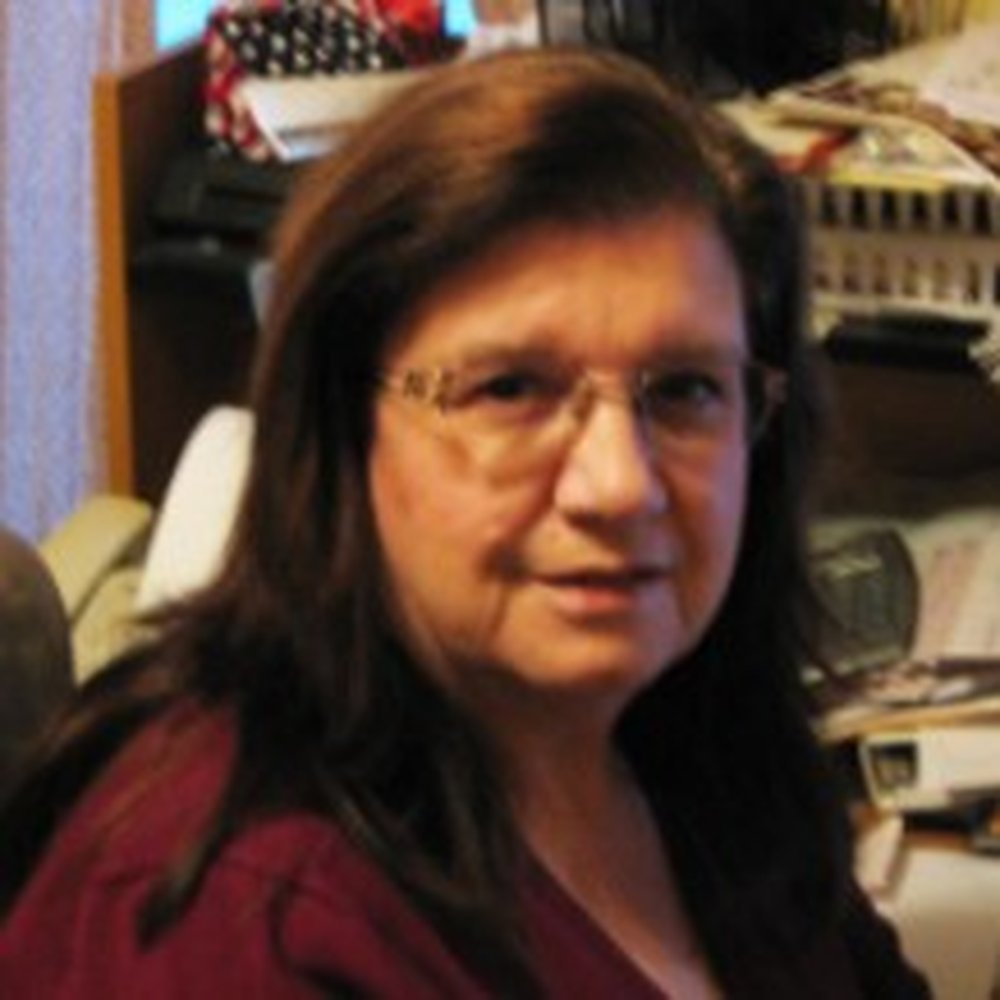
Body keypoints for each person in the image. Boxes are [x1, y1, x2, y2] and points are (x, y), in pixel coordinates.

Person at [0, 47, 928, 998]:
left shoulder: (693, 748)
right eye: (510, 389)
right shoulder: (231, 922)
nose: (619, 486)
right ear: (343, 427)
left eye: (686, 389)